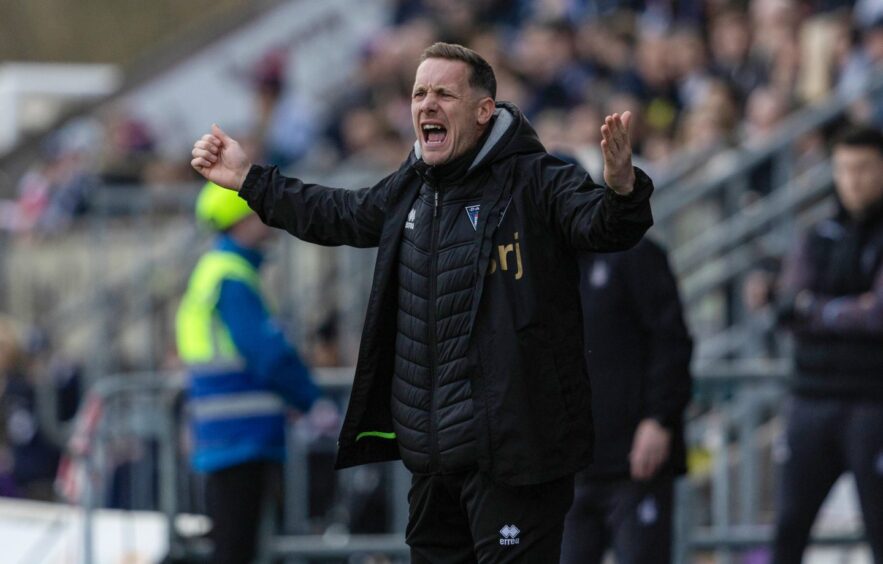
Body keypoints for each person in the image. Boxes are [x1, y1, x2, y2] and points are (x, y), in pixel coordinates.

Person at [191, 42, 654, 563]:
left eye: (443, 94)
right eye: (418, 94)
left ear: (484, 111)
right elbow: (335, 213)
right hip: (433, 462)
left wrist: (622, 189)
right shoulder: (411, 189)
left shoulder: (535, 179)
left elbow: (606, 226)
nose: (426, 105)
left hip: (516, 457)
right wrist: (251, 181)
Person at [175, 181, 323, 564]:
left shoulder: (222, 270)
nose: (269, 217)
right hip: (241, 438)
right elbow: (267, 354)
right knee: (236, 550)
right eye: (260, 208)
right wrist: (311, 401)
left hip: (232, 437)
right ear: (241, 219)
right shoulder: (232, 275)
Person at [770, 126, 883, 564]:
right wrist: (850, 310)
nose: (853, 179)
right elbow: (785, 307)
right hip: (810, 399)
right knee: (788, 531)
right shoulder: (816, 234)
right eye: (844, 169)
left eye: (864, 169)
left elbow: (878, 316)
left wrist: (814, 309)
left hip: (872, 403)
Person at [561, 238, 693, 564]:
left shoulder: (636, 254)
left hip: (635, 466)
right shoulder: (544, 261)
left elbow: (672, 341)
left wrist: (659, 418)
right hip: (567, 469)